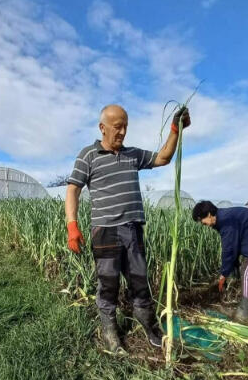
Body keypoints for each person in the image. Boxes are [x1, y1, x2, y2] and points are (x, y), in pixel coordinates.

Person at [66, 103, 189, 353]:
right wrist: (72, 225)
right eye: (117, 127)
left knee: (140, 282)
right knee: (108, 284)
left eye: (125, 127)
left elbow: (163, 157)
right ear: (102, 128)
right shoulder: (88, 155)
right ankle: (111, 334)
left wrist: (175, 129)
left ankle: (150, 328)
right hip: (105, 231)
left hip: (133, 231)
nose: (122, 132)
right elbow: (73, 189)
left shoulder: (133, 154)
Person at [192, 201, 248, 320]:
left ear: (209, 214)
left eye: (202, 221)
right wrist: (233, 267)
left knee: (247, 274)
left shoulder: (226, 221)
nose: (203, 224)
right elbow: (233, 246)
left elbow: (229, 250)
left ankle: (244, 310)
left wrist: (224, 274)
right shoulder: (222, 219)